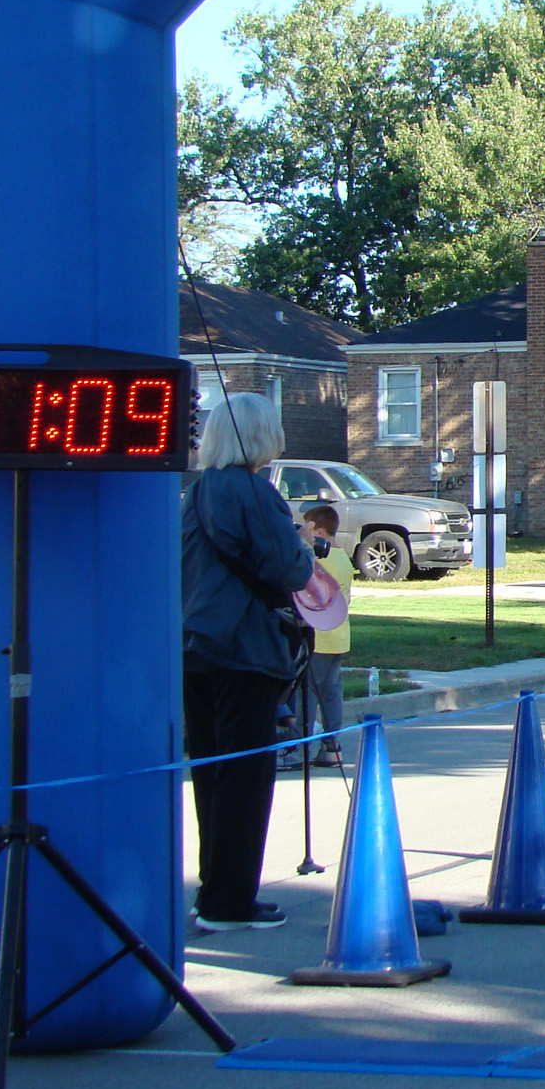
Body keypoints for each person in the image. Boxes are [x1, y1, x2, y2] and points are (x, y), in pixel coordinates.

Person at [181, 392, 315, 933]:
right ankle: (230, 901)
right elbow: (289, 569)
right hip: (244, 648)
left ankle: (212, 888)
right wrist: (302, 545)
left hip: (194, 648)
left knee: (210, 775)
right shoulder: (256, 493)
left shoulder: (195, 493)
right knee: (245, 778)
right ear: (263, 437)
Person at [279, 504, 352, 770]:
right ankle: (332, 747)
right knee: (331, 693)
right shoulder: (344, 558)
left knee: (306, 695)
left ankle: (299, 749)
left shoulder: (318, 560)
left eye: (308, 529)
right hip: (339, 635)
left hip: (317, 636)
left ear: (319, 532)